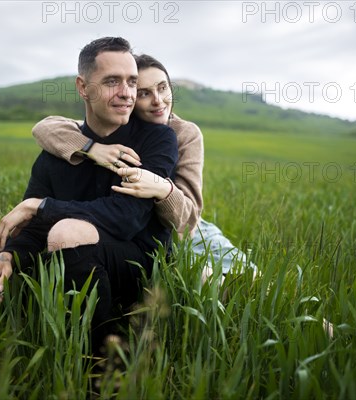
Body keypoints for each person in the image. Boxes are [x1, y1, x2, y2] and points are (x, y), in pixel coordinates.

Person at [0, 37, 178, 352]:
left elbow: (125, 218)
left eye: (132, 82)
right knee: (52, 242)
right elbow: (34, 225)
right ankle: (72, 345)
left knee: (65, 231)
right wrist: (7, 256)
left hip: (142, 264)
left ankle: (99, 358)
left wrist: (43, 206)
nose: (127, 92)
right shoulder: (61, 149)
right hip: (79, 256)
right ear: (83, 88)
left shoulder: (158, 139)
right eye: (112, 81)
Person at [32, 54, 256, 280]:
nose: (158, 100)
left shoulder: (184, 133)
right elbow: (45, 128)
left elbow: (188, 221)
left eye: (163, 88)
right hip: (138, 230)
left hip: (186, 230)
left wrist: (162, 189)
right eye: (144, 93)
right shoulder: (115, 126)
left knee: (247, 280)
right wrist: (91, 148)